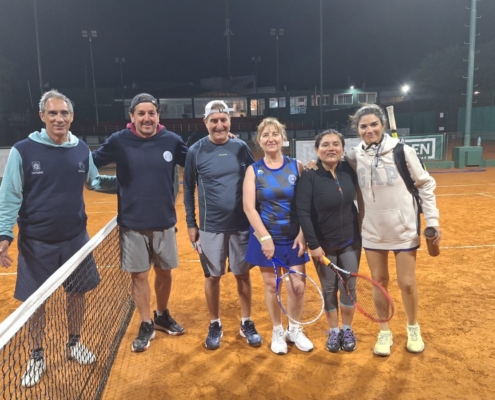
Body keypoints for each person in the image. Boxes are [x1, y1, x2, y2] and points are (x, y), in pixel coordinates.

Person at [0, 90, 116, 387]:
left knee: (77, 293)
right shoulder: (23, 150)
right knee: (36, 302)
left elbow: (94, 181)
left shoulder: (81, 149)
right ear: (42, 116)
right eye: (52, 113)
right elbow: (10, 195)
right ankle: (37, 356)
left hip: (76, 239)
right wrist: (4, 234)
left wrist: (129, 181)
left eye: (64, 113)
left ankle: (74, 343)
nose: (59, 118)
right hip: (36, 242)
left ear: (71, 117)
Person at [92, 93, 187, 353]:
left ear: (158, 115)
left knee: (165, 272)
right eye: (141, 113)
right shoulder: (119, 140)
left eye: (151, 113)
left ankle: (162, 315)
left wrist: (224, 143)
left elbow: (196, 162)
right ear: (132, 116)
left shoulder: (171, 140)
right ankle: (146, 322)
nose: (147, 118)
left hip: (164, 221)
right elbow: (89, 163)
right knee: (139, 275)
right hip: (132, 223)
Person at [346, 103, 441, 356]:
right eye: (363, 126)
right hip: (372, 229)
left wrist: (432, 221)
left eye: (374, 124)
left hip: (404, 228)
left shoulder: (403, 151)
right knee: (379, 282)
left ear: (383, 125)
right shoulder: (354, 156)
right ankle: (384, 330)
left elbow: (425, 184)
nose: (369, 130)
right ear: (357, 129)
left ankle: (413, 327)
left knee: (407, 283)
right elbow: (330, 163)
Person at [183, 100, 262, 350]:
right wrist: (191, 223)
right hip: (210, 227)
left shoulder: (240, 147)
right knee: (213, 277)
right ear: (205, 122)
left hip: (241, 225)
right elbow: (188, 188)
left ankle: (246, 322)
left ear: (230, 121)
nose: (219, 125)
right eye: (214, 121)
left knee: (242, 275)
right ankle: (215, 323)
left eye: (223, 120)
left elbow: (255, 178)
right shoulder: (195, 151)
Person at [243, 117, 313, 355]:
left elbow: (305, 205)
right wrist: (265, 238)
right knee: (272, 284)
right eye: (265, 135)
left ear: (283, 138)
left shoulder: (297, 166)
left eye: (275, 134)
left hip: (293, 237)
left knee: (297, 286)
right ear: (259, 140)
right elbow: (249, 208)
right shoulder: (254, 170)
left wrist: (303, 235)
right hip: (267, 237)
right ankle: (277, 330)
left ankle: (295, 328)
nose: (271, 138)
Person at [296, 130, 361, 353]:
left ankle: (347, 329)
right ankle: (334, 331)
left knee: (349, 286)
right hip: (323, 244)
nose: (331, 148)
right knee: (329, 288)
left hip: (351, 241)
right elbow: (303, 212)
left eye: (335, 144)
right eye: (325, 145)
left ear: (342, 148)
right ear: (317, 150)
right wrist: (313, 245)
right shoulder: (310, 175)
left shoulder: (349, 170)